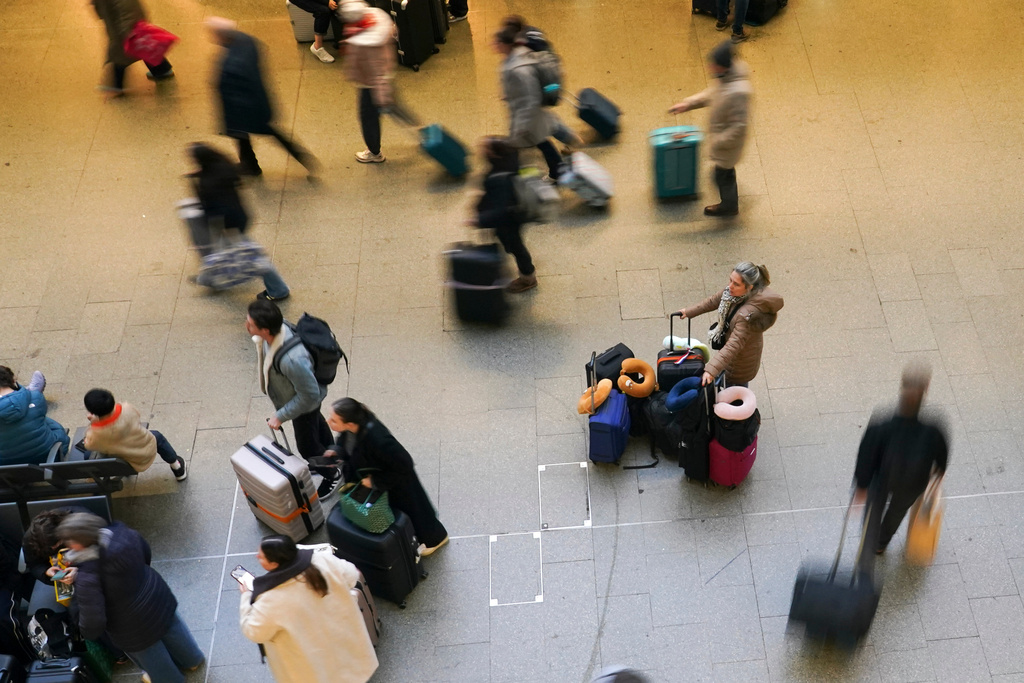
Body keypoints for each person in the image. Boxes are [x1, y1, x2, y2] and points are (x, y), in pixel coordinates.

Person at [56, 513, 205, 683]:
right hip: (156, 594)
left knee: (150, 655)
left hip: (130, 625)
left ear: (78, 544)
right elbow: (145, 552)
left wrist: (87, 631)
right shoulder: (122, 532)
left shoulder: (88, 577)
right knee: (172, 628)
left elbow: (93, 620)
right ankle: (192, 660)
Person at [238, 535, 378, 683]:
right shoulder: (322, 561)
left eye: (261, 557)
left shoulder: (271, 599)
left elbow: (253, 631)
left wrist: (246, 596)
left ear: (274, 563)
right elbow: (352, 575)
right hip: (343, 644)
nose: (257, 556)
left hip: (311, 665)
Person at [854, 367, 948, 575]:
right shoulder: (933, 430)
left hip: (881, 479)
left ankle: (868, 550)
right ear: (925, 392)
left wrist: (861, 485)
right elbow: (942, 457)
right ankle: (881, 542)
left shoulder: (881, 426)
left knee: (872, 513)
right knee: (897, 512)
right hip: (913, 483)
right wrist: (938, 472)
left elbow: (866, 456)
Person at [325, 398, 449, 555]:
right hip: (380, 478)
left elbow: (405, 464)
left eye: (334, 420)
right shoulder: (353, 428)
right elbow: (346, 443)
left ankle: (436, 539)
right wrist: (337, 451)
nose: (329, 422)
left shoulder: (379, 440)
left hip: (398, 482)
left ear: (350, 423)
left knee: (416, 511)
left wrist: (375, 481)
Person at [246, 300, 340, 496]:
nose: (246, 326)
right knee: (317, 424)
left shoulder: (292, 360)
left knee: (307, 447)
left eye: (250, 324)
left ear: (265, 330)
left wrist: (280, 415)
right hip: (304, 400)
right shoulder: (276, 331)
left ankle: (331, 474)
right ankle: (334, 456)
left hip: (303, 404)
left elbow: (309, 395)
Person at [205, 17, 318, 178]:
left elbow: (229, 93)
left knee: (251, 135)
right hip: (259, 102)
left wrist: (229, 120)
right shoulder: (246, 40)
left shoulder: (231, 65)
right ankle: (253, 165)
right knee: (255, 137)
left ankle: (295, 160)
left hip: (244, 111)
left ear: (222, 35)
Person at [186, 142, 291, 301]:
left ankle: (279, 290)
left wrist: (196, 185)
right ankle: (210, 280)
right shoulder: (224, 164)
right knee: (221, 250)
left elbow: (207, 207)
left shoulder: (207, 183)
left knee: (253, 258)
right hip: (241, 216)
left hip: (227, 223)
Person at [669, 40, 752, 217]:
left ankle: (729, 207)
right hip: (722, 141)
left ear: (724, 66)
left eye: (714, 65)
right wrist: (688, 104)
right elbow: (712, 94)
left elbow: (740, 126)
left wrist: (718, 142)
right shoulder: (725, 78)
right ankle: (730, 198)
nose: (710, 68)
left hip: (727, 146)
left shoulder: (739, 92)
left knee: (722, 175)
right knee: (723, 174)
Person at [675, 262, 782, 387]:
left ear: (750, 287)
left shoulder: (747, 316)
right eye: (730, 280)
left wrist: (711, 370)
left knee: (735, 389)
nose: (730, 286)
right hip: (730, 355)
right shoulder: (731, 294)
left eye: (736, 284)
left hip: (740, 362)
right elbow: (713, 301)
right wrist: (688, 312)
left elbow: (733, 346)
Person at [493, 24, 564, 181]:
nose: (494, 45)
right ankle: (557, 170)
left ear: (505, 44)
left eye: (497, 42)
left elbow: (531, 96)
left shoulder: (518, 67)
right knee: (541, 141)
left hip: (527, 115)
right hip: (525, 113)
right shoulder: (515, 57)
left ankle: (517, 179)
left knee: (527, 143)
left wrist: (523, 124)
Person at [469, 137, 537, 293]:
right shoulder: (509, 158)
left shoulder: (499, 179)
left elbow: (501, 210)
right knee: (511, 244)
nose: (481, 151)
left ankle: (528, 278)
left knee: (516, 247)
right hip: (514, 215)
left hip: (509, 220)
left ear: (494, 153)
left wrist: (478, 220)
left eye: (486, 149)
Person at [83, 388, 188, 481]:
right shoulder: (127, 409)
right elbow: (137, 416)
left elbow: (88, 444)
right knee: (157, 436)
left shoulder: (96, 434)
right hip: (147, 447)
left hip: (124, 462)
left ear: (93, 412)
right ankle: (177, 467)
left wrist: (94, 423)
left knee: (89, 454)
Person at [338, 1, 397, 164]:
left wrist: (381, 95)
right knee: (395, 108)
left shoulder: (364, 44)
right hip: (386, 72)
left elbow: (372, 70)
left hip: (371, 85)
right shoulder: (376, 19)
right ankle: (421, 131)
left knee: (368, 118)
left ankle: (374, 152)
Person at [91, 0, 174, 95]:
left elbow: (128, 8)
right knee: (143, 48)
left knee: (121, 54)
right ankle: (162, 69)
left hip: (124, 26)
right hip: (120, 22)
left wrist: (127, 29)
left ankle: (116, 85)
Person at [0, 367, 69, 466]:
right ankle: (27, 393)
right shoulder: (36, 397)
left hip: (7, 465)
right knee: (41, 419)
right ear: (13, 380)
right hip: (49, 455)